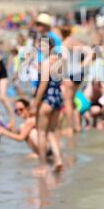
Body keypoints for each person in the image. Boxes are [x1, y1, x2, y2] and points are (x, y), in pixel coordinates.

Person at [32, 37, 64, 176]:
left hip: (47, 99)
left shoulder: (46, 63)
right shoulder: (59, 61)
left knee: (41, 132)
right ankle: (58, 160)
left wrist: (35, 102)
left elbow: (43, 84)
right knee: (51, 132)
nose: (41, 49)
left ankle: (43, 166)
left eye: (42, 46)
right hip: (57, 98)